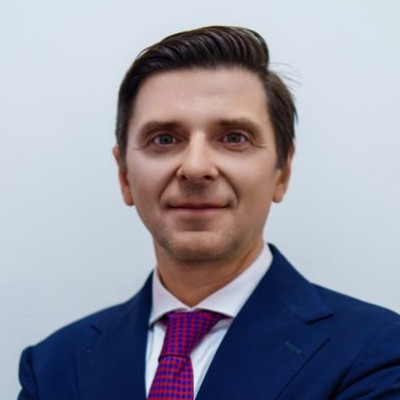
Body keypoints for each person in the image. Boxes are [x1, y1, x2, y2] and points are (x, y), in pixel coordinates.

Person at [18, 26, 400, 400]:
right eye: (164, 139)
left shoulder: (376, 351)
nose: (195, 167)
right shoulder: (53, 366)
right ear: (124, 176)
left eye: (234, 138)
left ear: (282, 172)